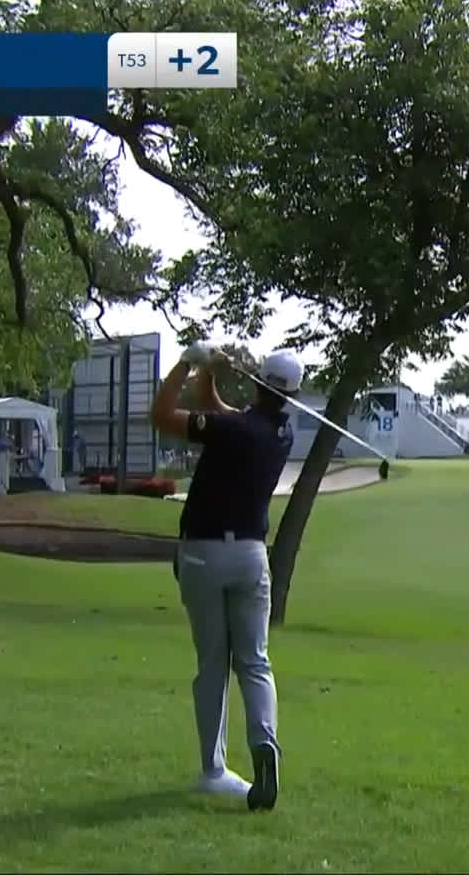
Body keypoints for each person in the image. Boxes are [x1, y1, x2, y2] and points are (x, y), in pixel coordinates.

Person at [150, 341, 302, 813]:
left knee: (213, 664)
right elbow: (219, 412)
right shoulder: (279, 432)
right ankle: (264, 745)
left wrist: (188, 363)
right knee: (255, 661)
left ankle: (214, 770)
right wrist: (212, 376)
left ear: (259, 385)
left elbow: (162, 415)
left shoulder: (234, 429)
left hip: (203, 554)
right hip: (252, 557)